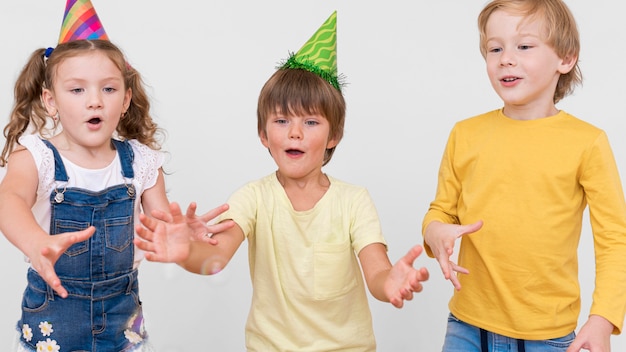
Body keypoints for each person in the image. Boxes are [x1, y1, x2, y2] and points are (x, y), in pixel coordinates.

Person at [135, 11, 429, 351]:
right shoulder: (253, 198)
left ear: (334, 135)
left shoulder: (354, 201)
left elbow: (378, 274)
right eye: (282, 119)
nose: (295, 132)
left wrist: (390, 282)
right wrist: (187, 252)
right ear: (264, 134)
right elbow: (215, 257)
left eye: (311, 122)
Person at [0, 1, 230, 351]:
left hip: (122, 325)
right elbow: (9, 200)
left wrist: (178, 236)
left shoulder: (140, 162)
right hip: (53, 324)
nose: (95, 101)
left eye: (108, 89)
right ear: (50, 101)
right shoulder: (36, 157)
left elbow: (160, 225)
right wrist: (34, 241)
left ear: (125, 100)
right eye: (77, 90)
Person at [421, 0, 626, 351]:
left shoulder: (588, 142)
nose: (506, 58)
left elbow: (615, 239)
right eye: (495, 48)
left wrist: (603, 318)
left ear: (566, 58)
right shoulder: (464, 134)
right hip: (466, 327)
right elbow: (440, 210)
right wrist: (435, 232)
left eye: (524, 46)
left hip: (549, 336)